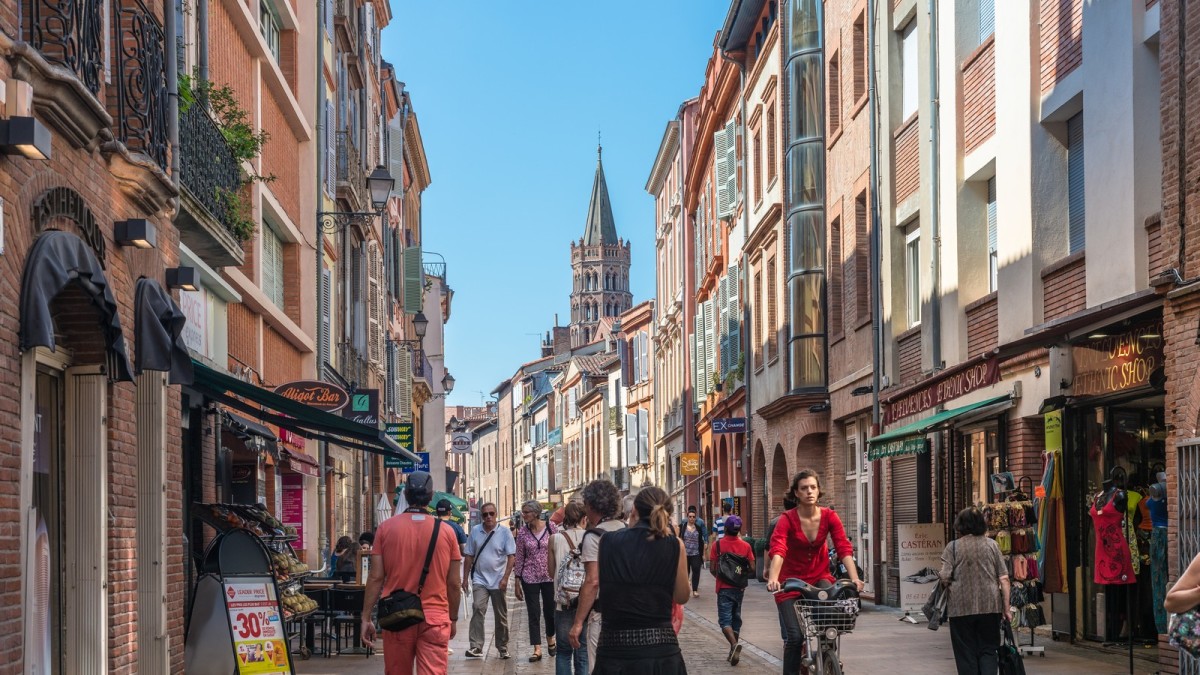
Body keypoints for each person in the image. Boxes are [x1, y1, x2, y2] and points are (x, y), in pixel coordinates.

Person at [361, 470, 462, 675]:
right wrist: (453, 618)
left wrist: (365, 617)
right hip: (435, 616)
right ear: (432, 497)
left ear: (405, 495)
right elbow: (454, 583)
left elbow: (376, 577)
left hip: (398, 614)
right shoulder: (447, 532)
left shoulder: (386, 528)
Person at [581, 486, 690, 674]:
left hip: (615, 649)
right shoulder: (674, 545)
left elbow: (606, 589)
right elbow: (681, 596)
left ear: (634, 511)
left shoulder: (607, 541)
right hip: (660, 649)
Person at [765, 469, 864, 674]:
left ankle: (828, 660)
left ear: (819, 491)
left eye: (813, 487)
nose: (809, 491)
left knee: (830, 624)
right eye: (804, 488)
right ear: (796, 493)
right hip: (790, 583)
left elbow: (843, 547)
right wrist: (774, 578)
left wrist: (854, 579)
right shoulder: (787, 519)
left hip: (819, 577)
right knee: (795, 637)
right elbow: (779, 549)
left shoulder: (829, 516)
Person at [938, 507, 1011, 675]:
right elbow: (1004, 578)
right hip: (990, 607)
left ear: (960, 526)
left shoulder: (953, 547)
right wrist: (1006, 608)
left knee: (966, 652)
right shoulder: (992, 545)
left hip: (960, 609)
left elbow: (945, 577)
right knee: (988, 649)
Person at [567, 479, 625, 673]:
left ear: (591, 505)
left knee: (599, 667)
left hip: (603, 615)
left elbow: (592, 581)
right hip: (628, 611)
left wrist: (577, 623)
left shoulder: (594, 536)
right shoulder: (627, 530)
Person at [462, 502, 516, 659]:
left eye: (491, 514)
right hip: (480, 579)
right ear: (481, 516)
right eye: (485, 514)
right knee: (478, 608)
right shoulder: (475, 531)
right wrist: (465, 578)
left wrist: (506, 577)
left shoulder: (505, 533)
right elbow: (469, 556)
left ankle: (502, 646)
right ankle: (476, 646)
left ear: (496, 514)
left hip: (499, 580)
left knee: (501, 615)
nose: (488, 517)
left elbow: (511, 556)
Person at [548, 501, 589, 675]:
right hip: (586, 602)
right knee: (582, 652)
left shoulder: (555, 538)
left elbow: (551, 572)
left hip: (563, 602)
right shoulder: (591, 537)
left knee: (563, 652)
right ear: (584, 518)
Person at [515, 500, 558, 662]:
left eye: (526, 512)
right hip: (529, 577)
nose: (523, 515)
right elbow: (519, 557)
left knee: (550, 611)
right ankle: (537, 648)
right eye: (523, 512)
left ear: (535, 513)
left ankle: (550, 638)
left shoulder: (551, 527)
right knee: (533, 613)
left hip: (549, 575)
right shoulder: (523, 533)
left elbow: (557, 549)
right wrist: (517, 580)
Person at [712, 515, 754, 666]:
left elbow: (712, 569)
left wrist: (723, 576)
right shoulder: (746, 546)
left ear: (726, 528)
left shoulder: (717, 546)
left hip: (723, 588)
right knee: (736, 618)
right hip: (739, 588)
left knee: (724, 621)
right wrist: (738, 574)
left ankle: (734, 645)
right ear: (739, 529)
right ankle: (732, 650)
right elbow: (752, 568)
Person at [680, 506, 708, 598]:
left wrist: (703, 554)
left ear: (695, 518)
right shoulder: (683, 527)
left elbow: (701, 541)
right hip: (685, 554)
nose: (692, 518)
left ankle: (695, 590)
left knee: (696, 570)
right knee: (685, 572)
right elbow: (679, 539)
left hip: (696, 553)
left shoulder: (698, 528)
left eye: (693, 517)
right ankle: (685, 588)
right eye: (690, 516)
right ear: (687, 517)